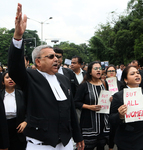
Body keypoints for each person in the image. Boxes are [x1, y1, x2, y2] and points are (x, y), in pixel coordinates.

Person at [8, 3, 84, 150]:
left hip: (67, 143)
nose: (56, 59)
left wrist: (78, 136)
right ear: (38, 62)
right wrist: (18, 36)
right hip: (41, 145)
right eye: (50, 57)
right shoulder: (30, 77)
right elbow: (15, 68)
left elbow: (70, 111)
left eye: (56, 56)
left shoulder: (63, 79)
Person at [110, 66, 143, 150]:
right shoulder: (119, 96)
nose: (137, 75)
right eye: (132, 74)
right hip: (130, 141)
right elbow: (111, 119)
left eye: (138, 73)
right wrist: (120, 116)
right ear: (125, 80)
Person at [74, 61, 110, 150]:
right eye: (95, 69)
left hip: (103, 125)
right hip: (88, 125)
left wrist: (110, 99)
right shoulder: (84, 86)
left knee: (101, 147)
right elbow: (75, 102)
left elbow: (106, 99)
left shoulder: (104, 83)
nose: (98, 70)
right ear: (90, 72)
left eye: (100, 68)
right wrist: (89, 107)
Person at [1, 71, 27, 150]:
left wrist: (25, 121)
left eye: (12, 77)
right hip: (3, 128)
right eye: (7, 77)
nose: (10, 79)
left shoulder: (22, 94)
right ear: (2, 82)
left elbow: (29, 110)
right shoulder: (0, 95)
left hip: (18, 127)